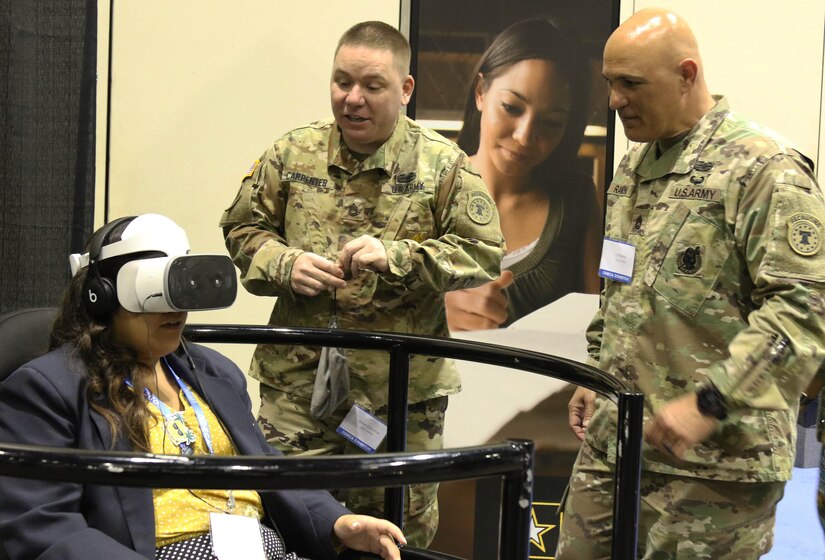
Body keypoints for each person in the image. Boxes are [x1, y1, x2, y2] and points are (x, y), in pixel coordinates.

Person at [220, 21, 504, 547]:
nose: (352, 99)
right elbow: (240, 229)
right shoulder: (291, 154)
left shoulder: (441, 166)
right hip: (298, 391)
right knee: (284, 520)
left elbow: (483, 254)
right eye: (341, 82)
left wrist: (397, 257)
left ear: (405, 89)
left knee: (398, 532)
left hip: (400, 397)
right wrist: (284, 264)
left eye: (372, 86)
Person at [557, 8, 825, 559]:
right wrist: (596, 371)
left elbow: (803, 309)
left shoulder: (763, 170)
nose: (614, 100)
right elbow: (620, 283)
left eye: (631, 84)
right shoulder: (633, 169)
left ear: (687, 74)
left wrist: (709, 403)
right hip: (619, 441)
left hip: (717, 465)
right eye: (610, 83)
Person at [0, 214, 406, 560]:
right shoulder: (50, 388)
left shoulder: (213, 372)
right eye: (155, 294)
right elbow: (40, 524)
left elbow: (267, 467)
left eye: (183, 288)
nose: (177, 309)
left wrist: (340, 522)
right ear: (102, 297)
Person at [446, 17, 601, 331]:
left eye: (551, 122)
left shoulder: (576, 199)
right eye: (512, 107)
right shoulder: (428, 184)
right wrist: (436, 308)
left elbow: (599, 328)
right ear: (480, 92)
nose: (525, 136)